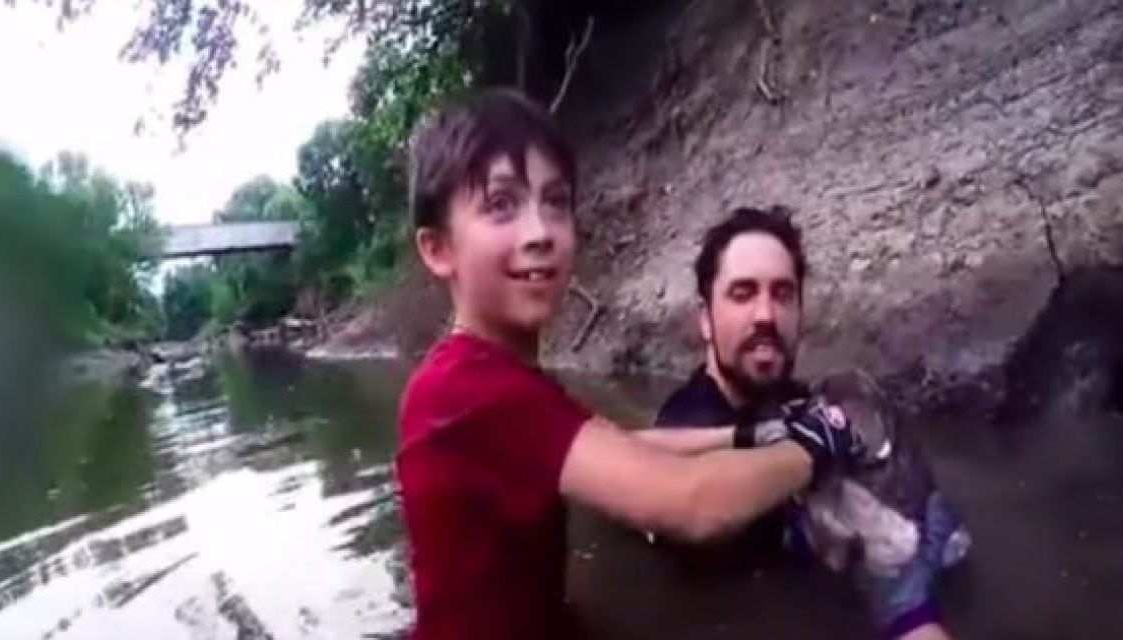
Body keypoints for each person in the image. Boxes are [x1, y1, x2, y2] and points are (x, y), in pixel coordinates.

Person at [396, 90, 862, 639]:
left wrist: (757, 433)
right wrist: (817, 442)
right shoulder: (472, 390)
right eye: (501, 205)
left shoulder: (493, 378)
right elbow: (693, 503)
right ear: (437, 249)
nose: (540, 232)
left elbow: (628, 447)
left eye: (556, 201)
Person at [651, 206, 956, 640]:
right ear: (705, 319)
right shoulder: (686, 425)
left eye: (782, 294)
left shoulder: (809, 404)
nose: (766, 316)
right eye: (742, 293)